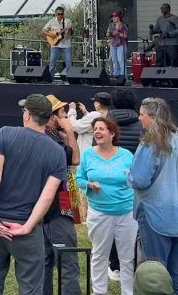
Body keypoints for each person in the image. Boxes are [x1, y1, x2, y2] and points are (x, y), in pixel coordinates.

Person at [0, 94, 65, 295]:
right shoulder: (57, 151)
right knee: (31, 287)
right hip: (26, 226)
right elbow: (48, 196)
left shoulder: (5, 134)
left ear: (28, 115)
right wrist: (27, 227)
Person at [130, 98, 178, 295]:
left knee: (155, 275)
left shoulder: (150, 144)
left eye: (142, 114)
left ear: (153, 117)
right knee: (177, 270)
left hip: (156, 215)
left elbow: (139, 179)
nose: (139, 118)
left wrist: (128, 175)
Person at [76, 117, 137, 295]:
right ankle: (99, 292)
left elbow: (135, 179)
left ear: (112, 133)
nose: (97, 132)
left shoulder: (126, 154)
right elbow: (79, 178)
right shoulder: (87, 154)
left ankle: (128, 291)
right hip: (99, 213)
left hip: (126, 212)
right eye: (95, 129)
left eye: (102, 129)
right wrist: (89, 185)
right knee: (99, 255)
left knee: (127, 257)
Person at [42, 94, 81, 295]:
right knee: (68, 263)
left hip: (47, 208)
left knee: (44, 262)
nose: (66, 115)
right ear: (53, 116)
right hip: (58, 209)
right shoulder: (53, 141)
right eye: (63, 112)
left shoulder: (49, 135)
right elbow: (75, 159)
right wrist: (70, 132)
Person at [43, 6, 74, 77]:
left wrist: (70, 29)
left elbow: (72, 33)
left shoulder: (68, 21)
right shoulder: (52, 21)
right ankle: (50, 78)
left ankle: (69, 78)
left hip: (66, 45)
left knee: (68, 62)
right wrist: (51, 35)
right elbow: (44, 30)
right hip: (55, 45)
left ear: (64, 14)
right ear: (55, 14)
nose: (60, 16)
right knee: (52, 62)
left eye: (62, 14)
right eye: (58, 14)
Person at [107, 11, 130, 79]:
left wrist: (118, 34)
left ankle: (122, 76)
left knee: (121, 61)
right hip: (113, 45)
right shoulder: (111, 25)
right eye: (113, 16)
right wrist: (109, 34)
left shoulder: (123, 25)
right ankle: (116, 76)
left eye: (115, 16)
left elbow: (126, 36)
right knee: (114, 61)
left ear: (119, 17)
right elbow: (107, 34)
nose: (113, 18)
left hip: (121, 45)